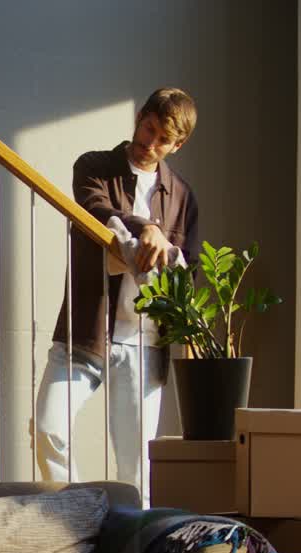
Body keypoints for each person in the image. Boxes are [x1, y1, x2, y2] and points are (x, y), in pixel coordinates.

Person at [36, 87, 199, 498]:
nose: (151, 142)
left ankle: (130, 547)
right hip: (86, 331)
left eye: (164, 138)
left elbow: (189, 268)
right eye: (148, 128)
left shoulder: (183, 197)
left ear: (178, 144)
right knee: (48, 429)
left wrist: (166, 250)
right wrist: (147, 228)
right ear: (140, 117)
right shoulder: (94, 166)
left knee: (135, 467)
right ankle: (71, 517)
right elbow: (95, 210)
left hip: (144, 343)